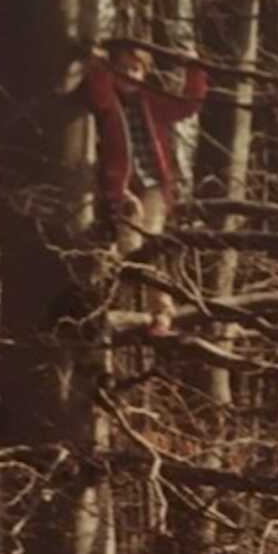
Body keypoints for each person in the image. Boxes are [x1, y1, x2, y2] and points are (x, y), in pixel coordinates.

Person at [81, 40, 208, 334]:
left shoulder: (153, 100)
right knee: (128, 245)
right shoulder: (108, 102)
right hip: (121, 189)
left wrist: (194, 67)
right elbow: (98, 93)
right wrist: (99, 63)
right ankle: (108, 309)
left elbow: (188, 105)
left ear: (145, 72)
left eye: (135, 69)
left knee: (149, 246)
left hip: (153, 186)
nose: (129, 75)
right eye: (122, 69)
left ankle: (162, 312)